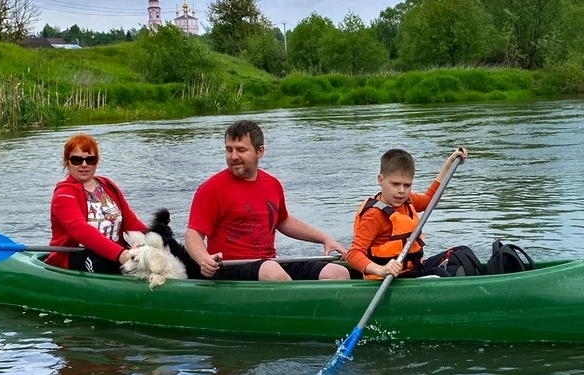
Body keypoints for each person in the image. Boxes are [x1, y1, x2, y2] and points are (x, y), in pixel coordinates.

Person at [185, 119, 351, 281]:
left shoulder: (272, 184)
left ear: (260, 151)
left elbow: (283, 221)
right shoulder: (212, 188)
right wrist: (204, 259)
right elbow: (193, 234)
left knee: (337, 273)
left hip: (267, 264)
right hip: (229, 268)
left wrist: (325, 239)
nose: (233, 156)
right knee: (271, 270)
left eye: (241, 150)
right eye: (229, 150)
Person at [346, 147, 468, 279]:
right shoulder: (374, 215)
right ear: (381, 180)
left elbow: (429, 200)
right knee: (439, 275)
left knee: (460, 253)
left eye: (407, 185)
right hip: (389, 278)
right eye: (395, 184)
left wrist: (450, 163)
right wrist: (381, 270)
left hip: (413, 268)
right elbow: (353, 254)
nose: (401, 191)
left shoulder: (407, 200)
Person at [46, 133, 146, 273]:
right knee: (103, 263)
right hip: (76, 255)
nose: (84, 165)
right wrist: (121, 254)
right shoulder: (64, 194)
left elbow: (132, 224)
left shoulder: (108, 186)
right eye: (77, 160)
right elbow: (81, 231)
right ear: (67, 162)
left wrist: (157, 240)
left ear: (97, 161)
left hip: (116, 253)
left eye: (90, 159)